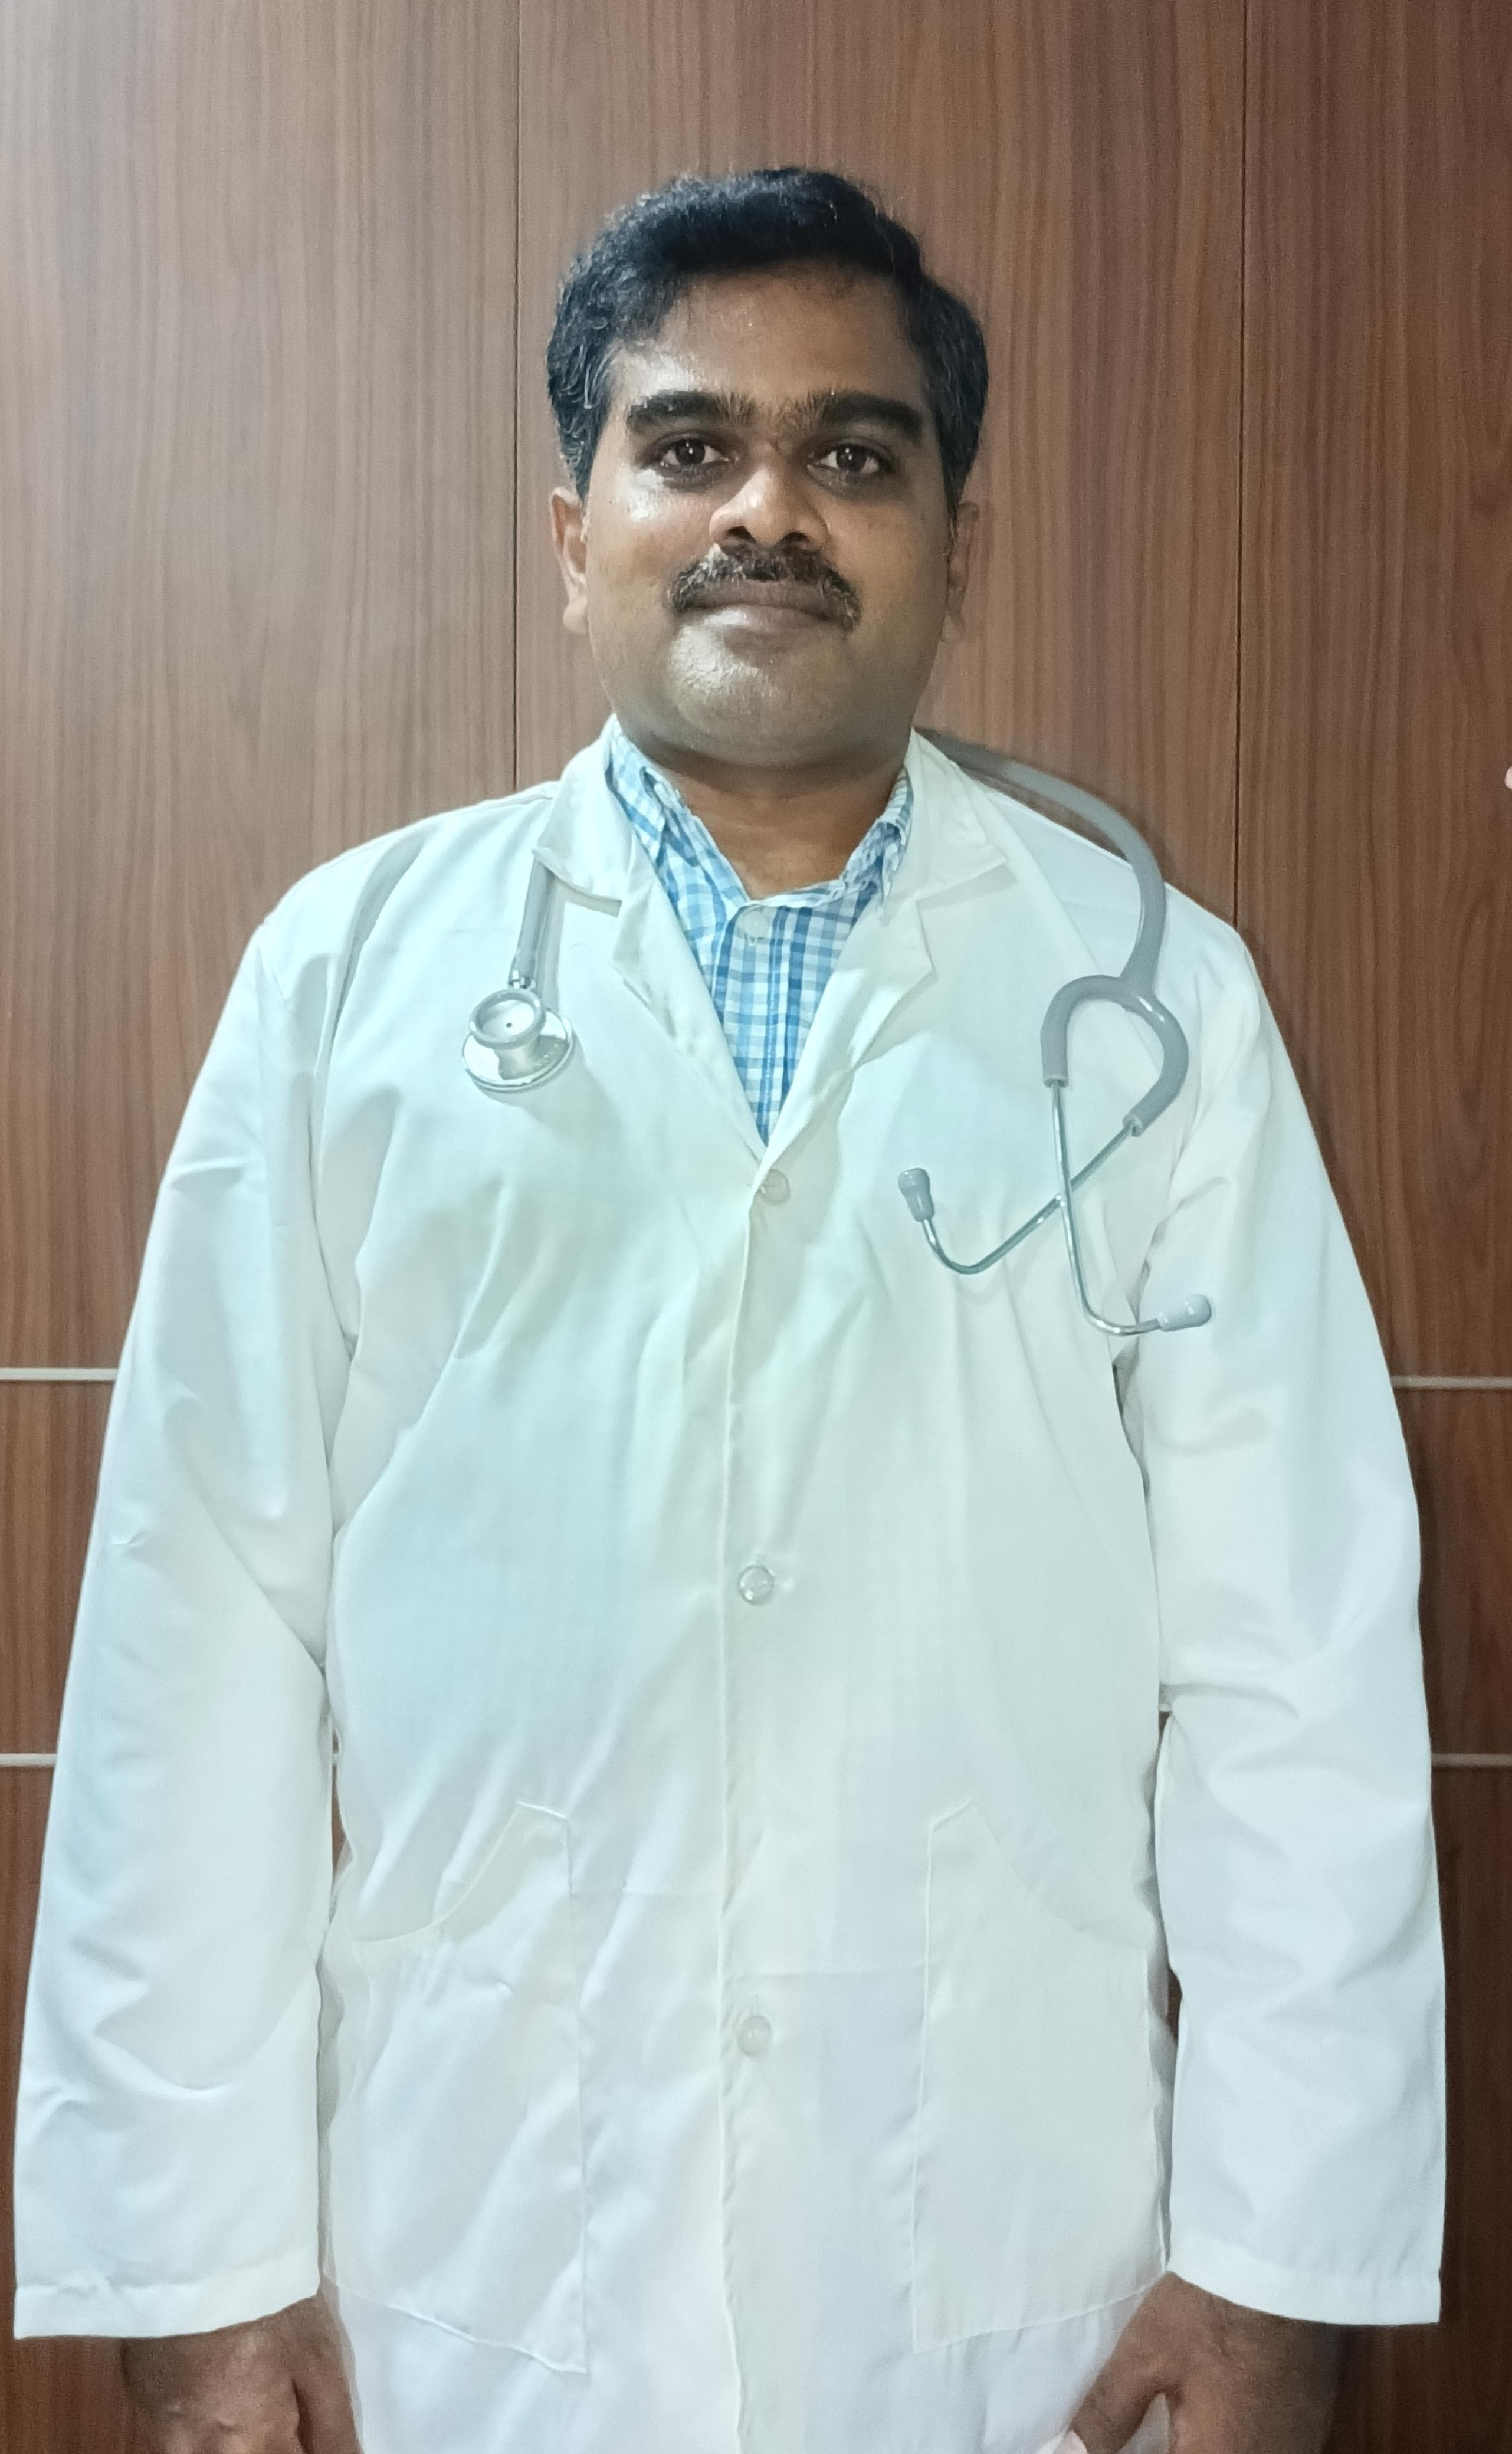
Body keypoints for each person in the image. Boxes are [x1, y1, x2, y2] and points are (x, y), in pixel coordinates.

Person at [12, 166, 1444, 2454]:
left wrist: (1282, 2262)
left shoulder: (1148, 999)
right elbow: (199, 1643)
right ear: (570, 532)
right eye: (687, 447)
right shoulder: (347, 977)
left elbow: (1288, 1659)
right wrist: (188, 2267)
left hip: (1009, 2269)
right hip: (464, 2261)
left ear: (957, 547)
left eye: (852, 453)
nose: (766, 509)